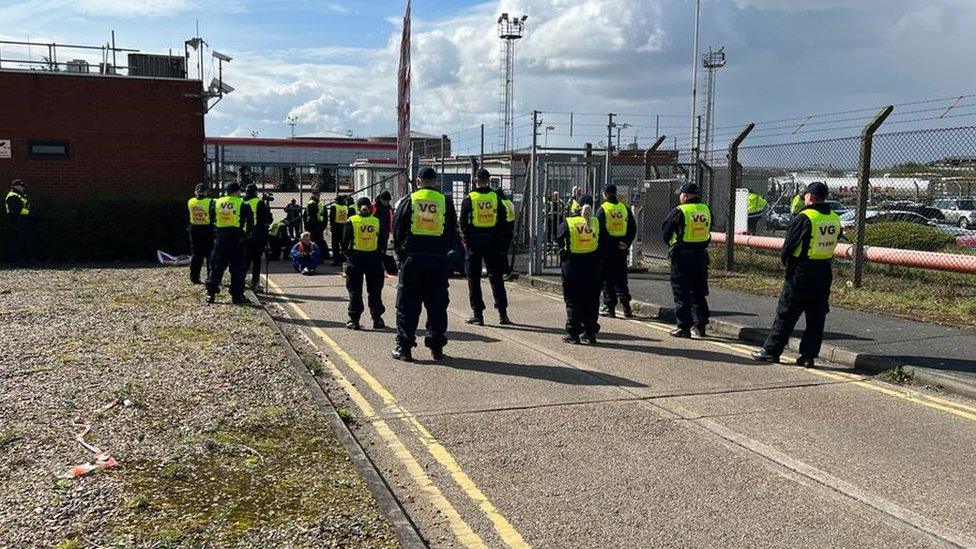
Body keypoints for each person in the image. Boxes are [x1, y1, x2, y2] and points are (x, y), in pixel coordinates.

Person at [752, 181, 841, 367]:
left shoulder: (804, 217)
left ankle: (771, 351)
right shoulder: (834, 218)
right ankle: (808, 356)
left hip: (801, 270)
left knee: (786, 312)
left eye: (805, 195)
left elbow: (789, 245)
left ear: (810, 196)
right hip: (824, 270)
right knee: (816, 316)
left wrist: (786, 263)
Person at [391, 167, 458, 362]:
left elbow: (397, 229)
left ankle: (404, 348)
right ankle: (436, 348)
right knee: (437, 305)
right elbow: (452, 231)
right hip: (437, 260)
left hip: (413, 259)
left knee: (407, 305)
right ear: (435, 182)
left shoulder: (409, 200)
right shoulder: (445, 202)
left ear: (418, 181)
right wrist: (442, 252)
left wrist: (402, 255)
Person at [459, 169, 511, 326]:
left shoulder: (470, 198)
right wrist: (499, 238)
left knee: (473, 278)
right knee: (496, 278)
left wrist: (466, 236)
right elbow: (503, 220)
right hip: (492, 241)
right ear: (488, 180)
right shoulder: (496, 197)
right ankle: (503, 314)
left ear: (476, 180)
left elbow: (462, 222)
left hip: (474, 242)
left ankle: (478, 315)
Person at [662, 182, 712, 338]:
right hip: (701, 255)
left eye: (681, 194)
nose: (680, 197)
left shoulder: (680, 211)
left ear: (686, 196)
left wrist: (673, 244)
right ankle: (700, 325)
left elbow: (666, 231)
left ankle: (683, 327)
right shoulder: (706, 210)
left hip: (683, 255)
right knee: (698, 291)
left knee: (681, 291)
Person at [556, 195, 601, 345]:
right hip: (592, 266)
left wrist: (563, 249)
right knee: (591, 301)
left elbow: (558, 237)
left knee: (573, 300)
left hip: (573, 266)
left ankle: (573, 333)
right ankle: (590, 333)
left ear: (578, 206)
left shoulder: (570, 221)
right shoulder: (595, 222)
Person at [343, 197, 389, 330]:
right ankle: (377, 319)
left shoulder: (351, 221)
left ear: (357, 208)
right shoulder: (376, 221)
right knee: (375, 291)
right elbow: (382, 241)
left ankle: (354, 319)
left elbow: (345, 242)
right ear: (370, 207)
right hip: (373, 258)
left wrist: (348, 255)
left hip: (356, 259)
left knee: (355, 290)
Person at [206, 182, 254, 304]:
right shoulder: (242, 203)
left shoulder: (217, 202)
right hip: (236, 238)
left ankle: (210, 293)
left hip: (221, 238)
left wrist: (215, 231)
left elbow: (211, 218)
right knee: (237, 268)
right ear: (236, 191)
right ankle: (237, 296)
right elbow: (250, 222)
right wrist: (246, 235)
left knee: (217, 266)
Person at [596, 184, 636, 318]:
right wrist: (627, 242)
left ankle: (609, 307)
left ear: (605, 194)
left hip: (608, 249)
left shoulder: (602, 210)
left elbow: (599, 230)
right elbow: (632, 227)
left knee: (607, 278)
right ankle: (626, 307)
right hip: (621, 248)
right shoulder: (624, 208)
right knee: (621, 277)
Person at [243, 184, 273, 290]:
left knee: (246, 259)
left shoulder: (242, 202)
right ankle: (255, 282)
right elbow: (269, 220)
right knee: (256, 260)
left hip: (245, 234)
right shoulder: (259, 203)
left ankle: (240, 280)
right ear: (256, 192)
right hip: (258, 233)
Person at [186, 183, 215, 284]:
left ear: (195, 191)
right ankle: (210, 277)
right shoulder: (210, 201)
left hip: (194, 229)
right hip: (207, 229)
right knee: (210, 254)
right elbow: (213, 215)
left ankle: (194, 278)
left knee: (196, 254)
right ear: (206, 191)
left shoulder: (191, 201)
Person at [5, 179, 32, 264]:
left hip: (23, 219)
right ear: (14, 186)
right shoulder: (12, 195)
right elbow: (15, 209)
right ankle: (16, 260)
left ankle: (26, 259)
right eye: (21, 186)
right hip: (16, 219)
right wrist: (18, 218)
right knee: (17, 240)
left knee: (24, 240)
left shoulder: (20, 195)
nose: (23, 188)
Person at [303, 190, 329, 260]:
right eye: (318, 194)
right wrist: (323, 226)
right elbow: (307, 216)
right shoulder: (312, 204)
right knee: (317, 242)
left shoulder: (317, 204)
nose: (319, 196)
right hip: (315, 226)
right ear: (314, 195)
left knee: (315, 242)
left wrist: (307, 226)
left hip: (316, 226)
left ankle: (318, 257)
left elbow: (306, 216)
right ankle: (318, 257)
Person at [329, 195, 354, 266]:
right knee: (344, 245)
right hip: (344, 226)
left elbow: (331, 218)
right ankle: (344, 260)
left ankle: (336, 260)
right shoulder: (346, 207)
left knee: (335, 245)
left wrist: (332, 226)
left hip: (336, 227)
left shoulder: (334, 207)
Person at [497, 188, 516, 275]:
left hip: (503, 231)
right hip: (510, 229)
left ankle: (504, 270)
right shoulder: (509, 203)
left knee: (501, 252)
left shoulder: (500, 203)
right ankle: (505, 269)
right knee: (505, 251)